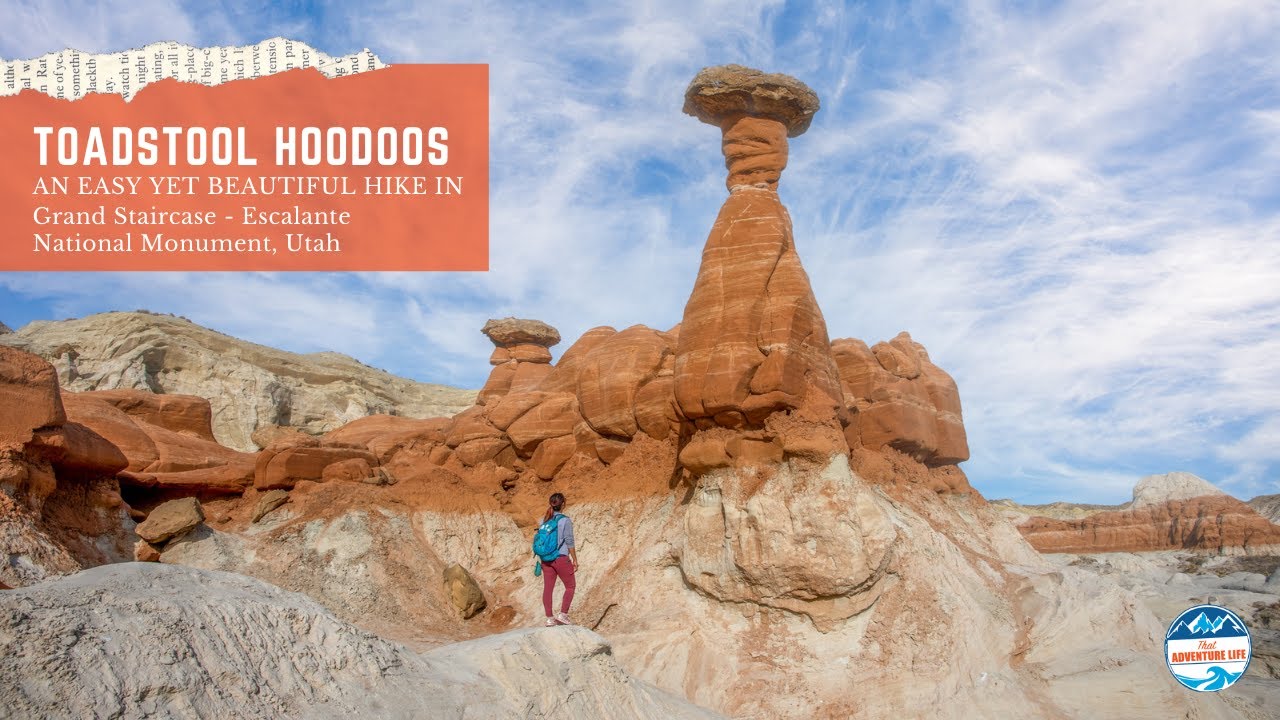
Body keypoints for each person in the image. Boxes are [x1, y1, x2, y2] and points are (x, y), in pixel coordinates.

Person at [539, 492, 577, 626]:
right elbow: (569, 541)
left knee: (548, 588)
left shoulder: (543, 520)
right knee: (570, 586)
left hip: (545, 560)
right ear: (563, 504)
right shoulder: (565, 520)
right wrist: (575, 559)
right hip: (560, 558)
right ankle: (563, 615)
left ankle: (550, 618)